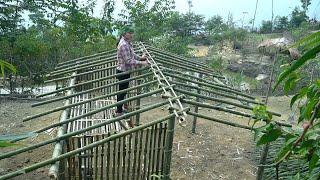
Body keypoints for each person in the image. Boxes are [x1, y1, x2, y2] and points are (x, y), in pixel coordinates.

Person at [115, 26, 149, 117]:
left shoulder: (127, 42)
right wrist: (142, 63)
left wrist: (141, 58)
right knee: (122, 92)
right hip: (123, 71)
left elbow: (132, 54)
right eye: (129, 33)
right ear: (124, 34)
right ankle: (118, 111)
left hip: (125, 70)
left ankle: (119, 109)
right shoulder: (124, 45)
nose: (131, 35)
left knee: (123, 91)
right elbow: (128, 61)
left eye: (132, 33)